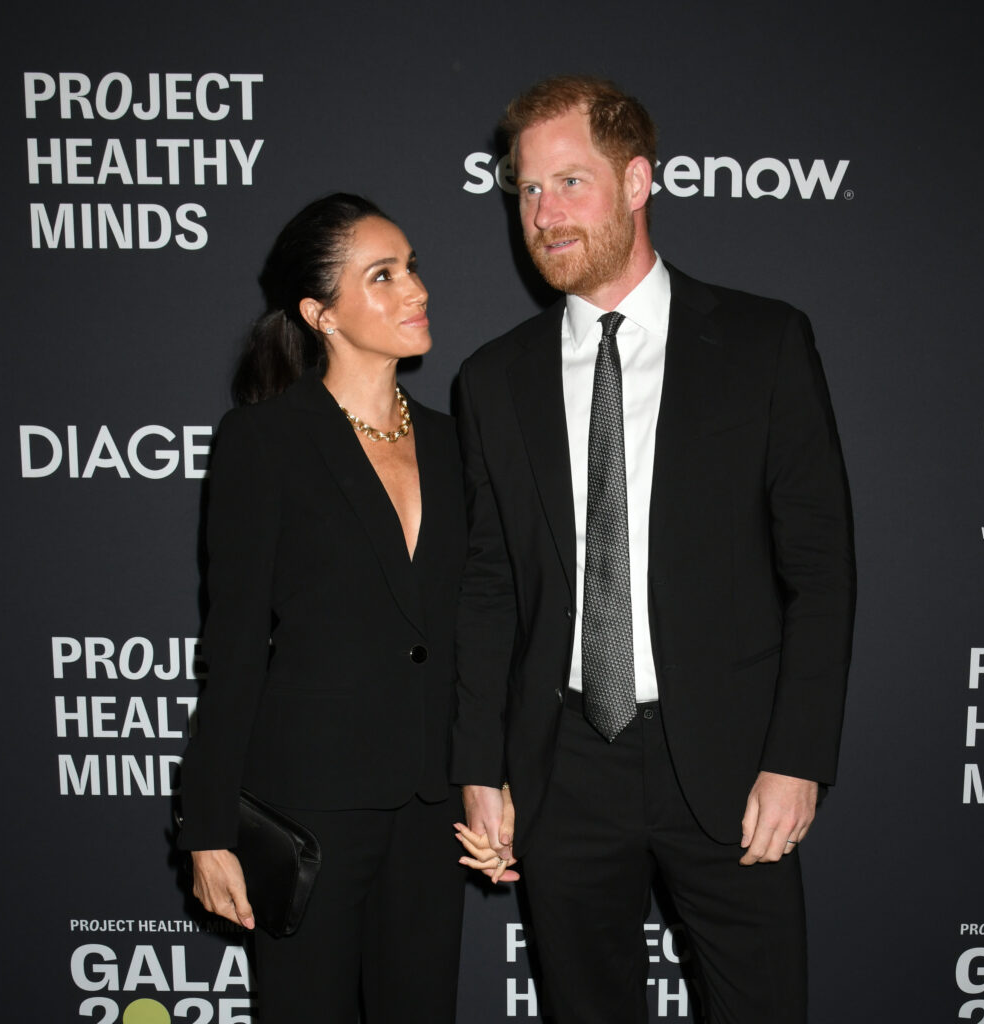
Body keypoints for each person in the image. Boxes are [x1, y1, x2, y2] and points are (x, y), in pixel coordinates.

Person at [452, 77, 855, 1023]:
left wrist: (797, 758)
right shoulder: (493, 378)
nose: (544, 214)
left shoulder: (764, 343)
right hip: (562, 765)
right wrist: (481, 767)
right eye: (527, 191)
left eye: (570, 182)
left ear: (638, 182)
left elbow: (821, 569)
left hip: (727, 757)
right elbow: (489, 588)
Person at [177, 193, 466, 1022]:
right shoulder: (264, 441)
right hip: (309, 805)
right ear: (321, 313)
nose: (414, 288)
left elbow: (482, 627)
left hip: (430, 802)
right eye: (383, 274)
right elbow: (232, 643)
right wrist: (207, 828)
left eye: (412, 266)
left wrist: (489, 775)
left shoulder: (457, 442)